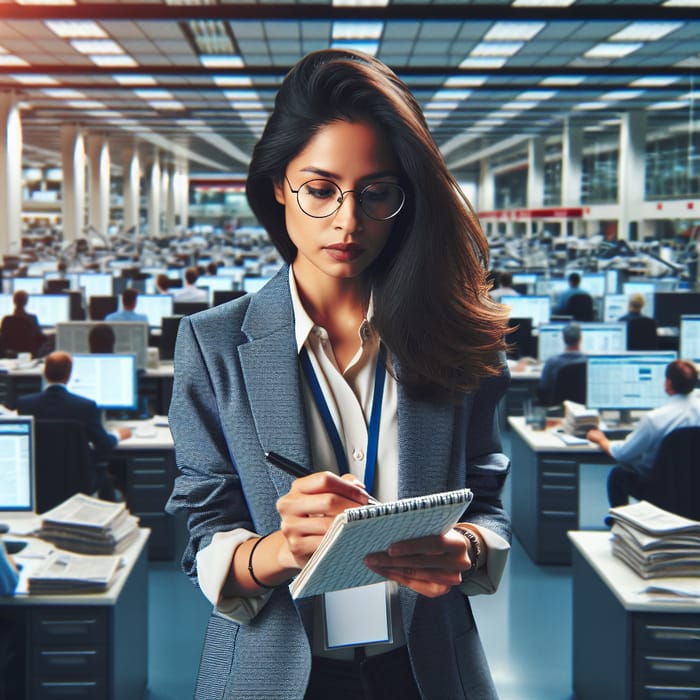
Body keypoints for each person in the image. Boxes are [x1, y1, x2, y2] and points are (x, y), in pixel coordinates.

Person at [165, 49, 512, 700]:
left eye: (375, 192)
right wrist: (279, 550)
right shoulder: (212, 344)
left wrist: (465, 544)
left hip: (423, 670)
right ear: (278, 185)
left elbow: (487, 502)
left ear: (404, 196)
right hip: (276, 673)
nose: (347, 222)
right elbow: (204, 534)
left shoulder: (464, 337)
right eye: (320, 190)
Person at [16, 351, 131, 500]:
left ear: (45, 373)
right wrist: (117, 434)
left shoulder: (25, 404)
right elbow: (103, 445)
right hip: (77, 486)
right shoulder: (85, 407)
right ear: (69, 375)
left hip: (38, 486)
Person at [587, 359, 700, 508]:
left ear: (668, 383)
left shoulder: (655, 419)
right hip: (695, 490)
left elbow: (623, 454)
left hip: (662, 491)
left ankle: (624, 525)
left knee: (619, 474)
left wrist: (602, 440)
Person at [537, 323, 585, 405]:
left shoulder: (552, 362)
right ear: (580, 338)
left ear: (563, 338)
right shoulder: (587, 362)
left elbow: (543, 388)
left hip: (558, 408)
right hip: (584, 409)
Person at [0, 290, 48, 357]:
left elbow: (2, 341)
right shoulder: (32, 319)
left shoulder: (6, 320)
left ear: (13, 301)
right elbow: (40, 338)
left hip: (10, 356)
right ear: (26, 302)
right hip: (29, 356)